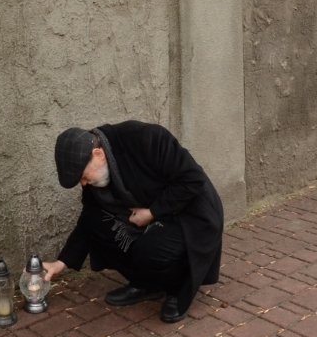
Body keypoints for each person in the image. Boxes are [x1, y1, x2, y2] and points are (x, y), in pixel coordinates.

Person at [42, 120, 224, 323]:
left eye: (83, 177)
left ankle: (178, 290)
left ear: (98, 154)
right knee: (97, 223)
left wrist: (152, 212)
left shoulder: (146, 137)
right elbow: (90, 215)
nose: (84, 184)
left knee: (151, 250)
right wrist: (61, 263)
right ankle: (146, 284)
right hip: (149, 216)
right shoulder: (95, 167)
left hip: (189, 213)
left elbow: (192, 179)